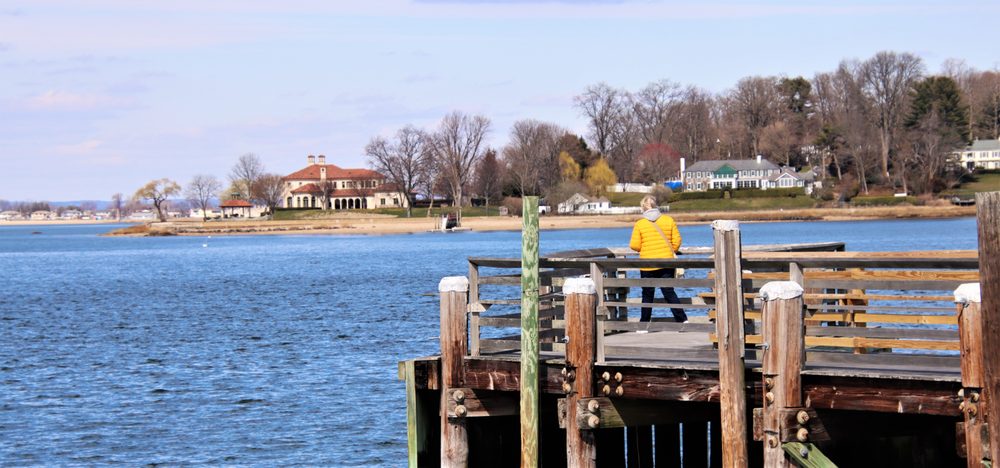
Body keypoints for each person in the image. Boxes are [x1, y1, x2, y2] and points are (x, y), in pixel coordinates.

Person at [629, 195, 688, 323]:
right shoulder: (668, 220)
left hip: (647, 263)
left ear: (643, 208)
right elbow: (677, 240)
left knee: (647, 294)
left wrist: (645, 250)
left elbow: (634, 245)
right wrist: (669, 251)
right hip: (666, 262)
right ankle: (682, 320)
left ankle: (644, 323)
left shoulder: (640, 224)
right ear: (656, 206)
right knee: (669, 292)